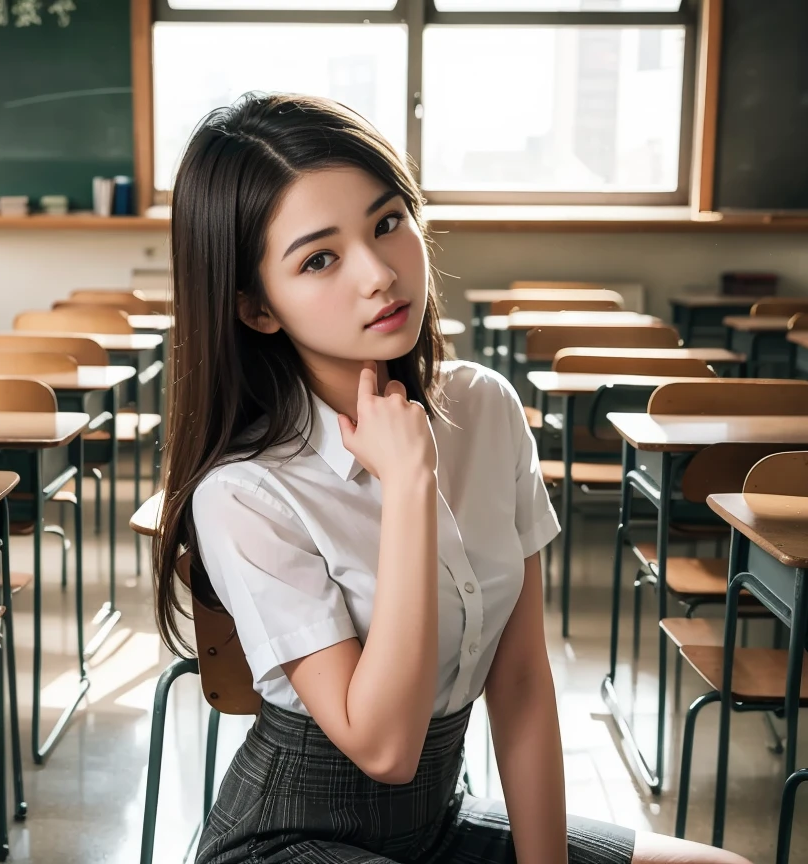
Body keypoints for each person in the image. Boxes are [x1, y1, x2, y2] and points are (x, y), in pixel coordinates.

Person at [153, 92, 752, 864]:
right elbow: (386, 748)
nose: (379, 273)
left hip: (438, 826)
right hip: (288, 839)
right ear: (257, 308)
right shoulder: (244, 492)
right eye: (320, 258)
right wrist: (407, 487)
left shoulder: (484, 406)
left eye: (388, 222)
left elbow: (523, 682)